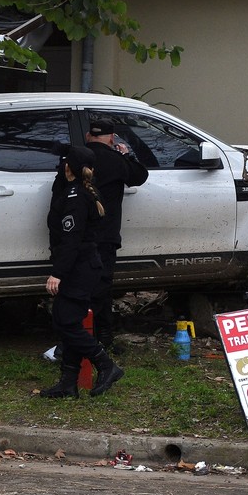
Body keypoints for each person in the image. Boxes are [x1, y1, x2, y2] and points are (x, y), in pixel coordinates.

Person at [39, 146, 125, 399]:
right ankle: (68, 383)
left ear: (68, 168)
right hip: (83, 266)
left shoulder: (76, 197)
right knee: (69, 322)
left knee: (65, 321)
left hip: (78, 268)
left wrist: (57, 273)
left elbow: (72, 240)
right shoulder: (84, 190)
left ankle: (106, 365)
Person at [84, 118, 149, 351]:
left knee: (80, 285)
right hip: (105, 235)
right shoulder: (116, 160)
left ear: (88, 136)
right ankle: (100, 335)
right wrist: (127, 155)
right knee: (101, 286)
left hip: (77, 234)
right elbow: (139, 176)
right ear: (111, 139)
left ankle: (84, 335)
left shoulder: (75, 159)